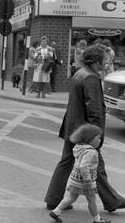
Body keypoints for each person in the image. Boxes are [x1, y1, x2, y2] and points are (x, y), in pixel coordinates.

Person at [44, 44, 125, 213]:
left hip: (73, 126)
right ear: (96, 60)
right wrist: (97, 135)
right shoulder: (91, 78)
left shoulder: (79, 73)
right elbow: (94, 109)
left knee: (66, 162)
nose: (107, 61)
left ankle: (53, 198)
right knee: (97, 165)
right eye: (104, 58)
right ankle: (112, 201)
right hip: (85, 131)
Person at [49, 124, 111, 223]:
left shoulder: (79, 147)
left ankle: (56, 212)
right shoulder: (91, 152)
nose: (100, 140)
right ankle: (97, 220)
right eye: (98, 138)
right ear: (90, 138)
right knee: (91, 200)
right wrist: (88, 180)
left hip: (75, 179)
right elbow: (84, 166)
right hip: (85, 181)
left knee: (71, 198)